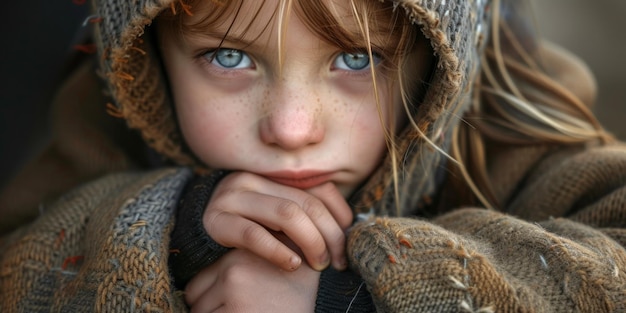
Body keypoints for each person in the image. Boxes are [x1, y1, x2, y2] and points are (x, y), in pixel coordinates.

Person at [0, 0, 625, 311]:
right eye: (228, 57)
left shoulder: (513, 141)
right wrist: (172, 230)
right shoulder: (99, 127)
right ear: (147, 59)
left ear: (435, 64)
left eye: (356, 59)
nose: (292, 128)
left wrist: (349, 296)